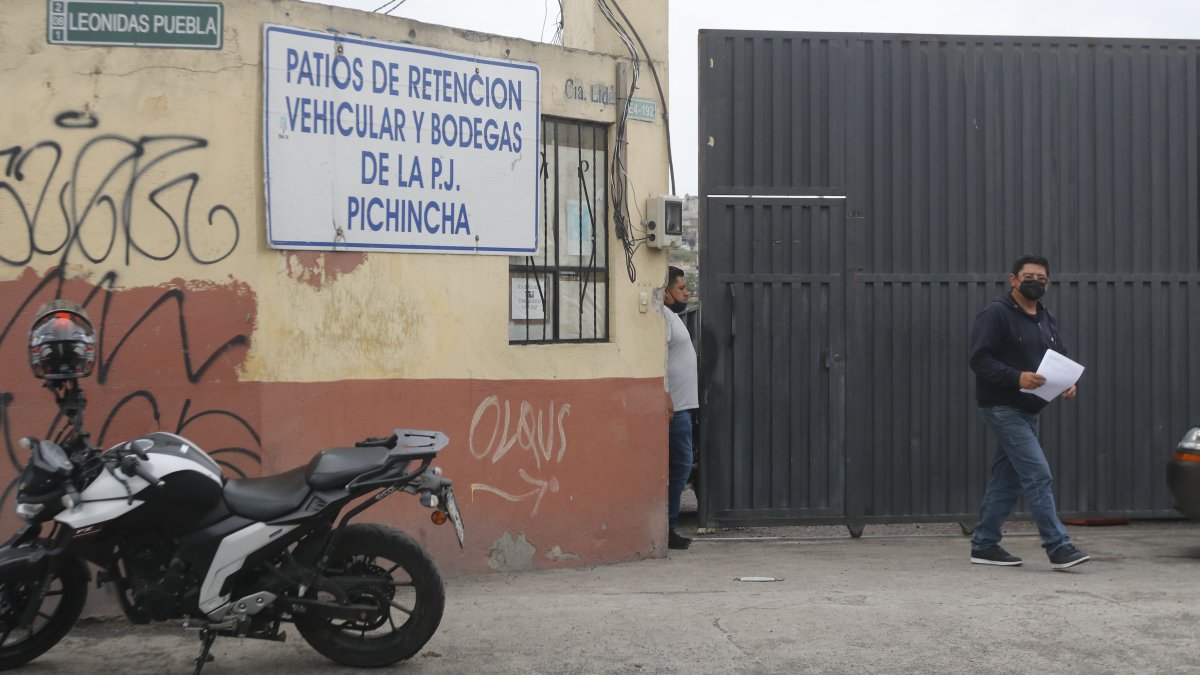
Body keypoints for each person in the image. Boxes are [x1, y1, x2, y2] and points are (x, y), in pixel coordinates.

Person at [968, 254, 1090, 570]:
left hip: (1030, 410)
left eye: (1042, 278)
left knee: (1007, 480)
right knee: (1037, 473)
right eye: (1029, 276)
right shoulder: (995, 314)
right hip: (1002, 407)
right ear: (1013, 279)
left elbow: (1058, 356)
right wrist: (1016, 376)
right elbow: (979, 360)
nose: (1035, 282)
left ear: (1048, 283)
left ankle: (984, 544)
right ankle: (1058, 546)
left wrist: (1068, 384)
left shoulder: (1045, 317)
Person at [662, 266, 698, 550]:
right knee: (681, 465)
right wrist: (666, 395)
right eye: (681, 288)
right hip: (676, 410)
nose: (686, 292)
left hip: (684, 406)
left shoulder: (673, 317)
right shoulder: (662, 318)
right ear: (665, 292)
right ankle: (668, 526)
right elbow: (657, 359)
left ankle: (668, 524)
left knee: (680, 466)